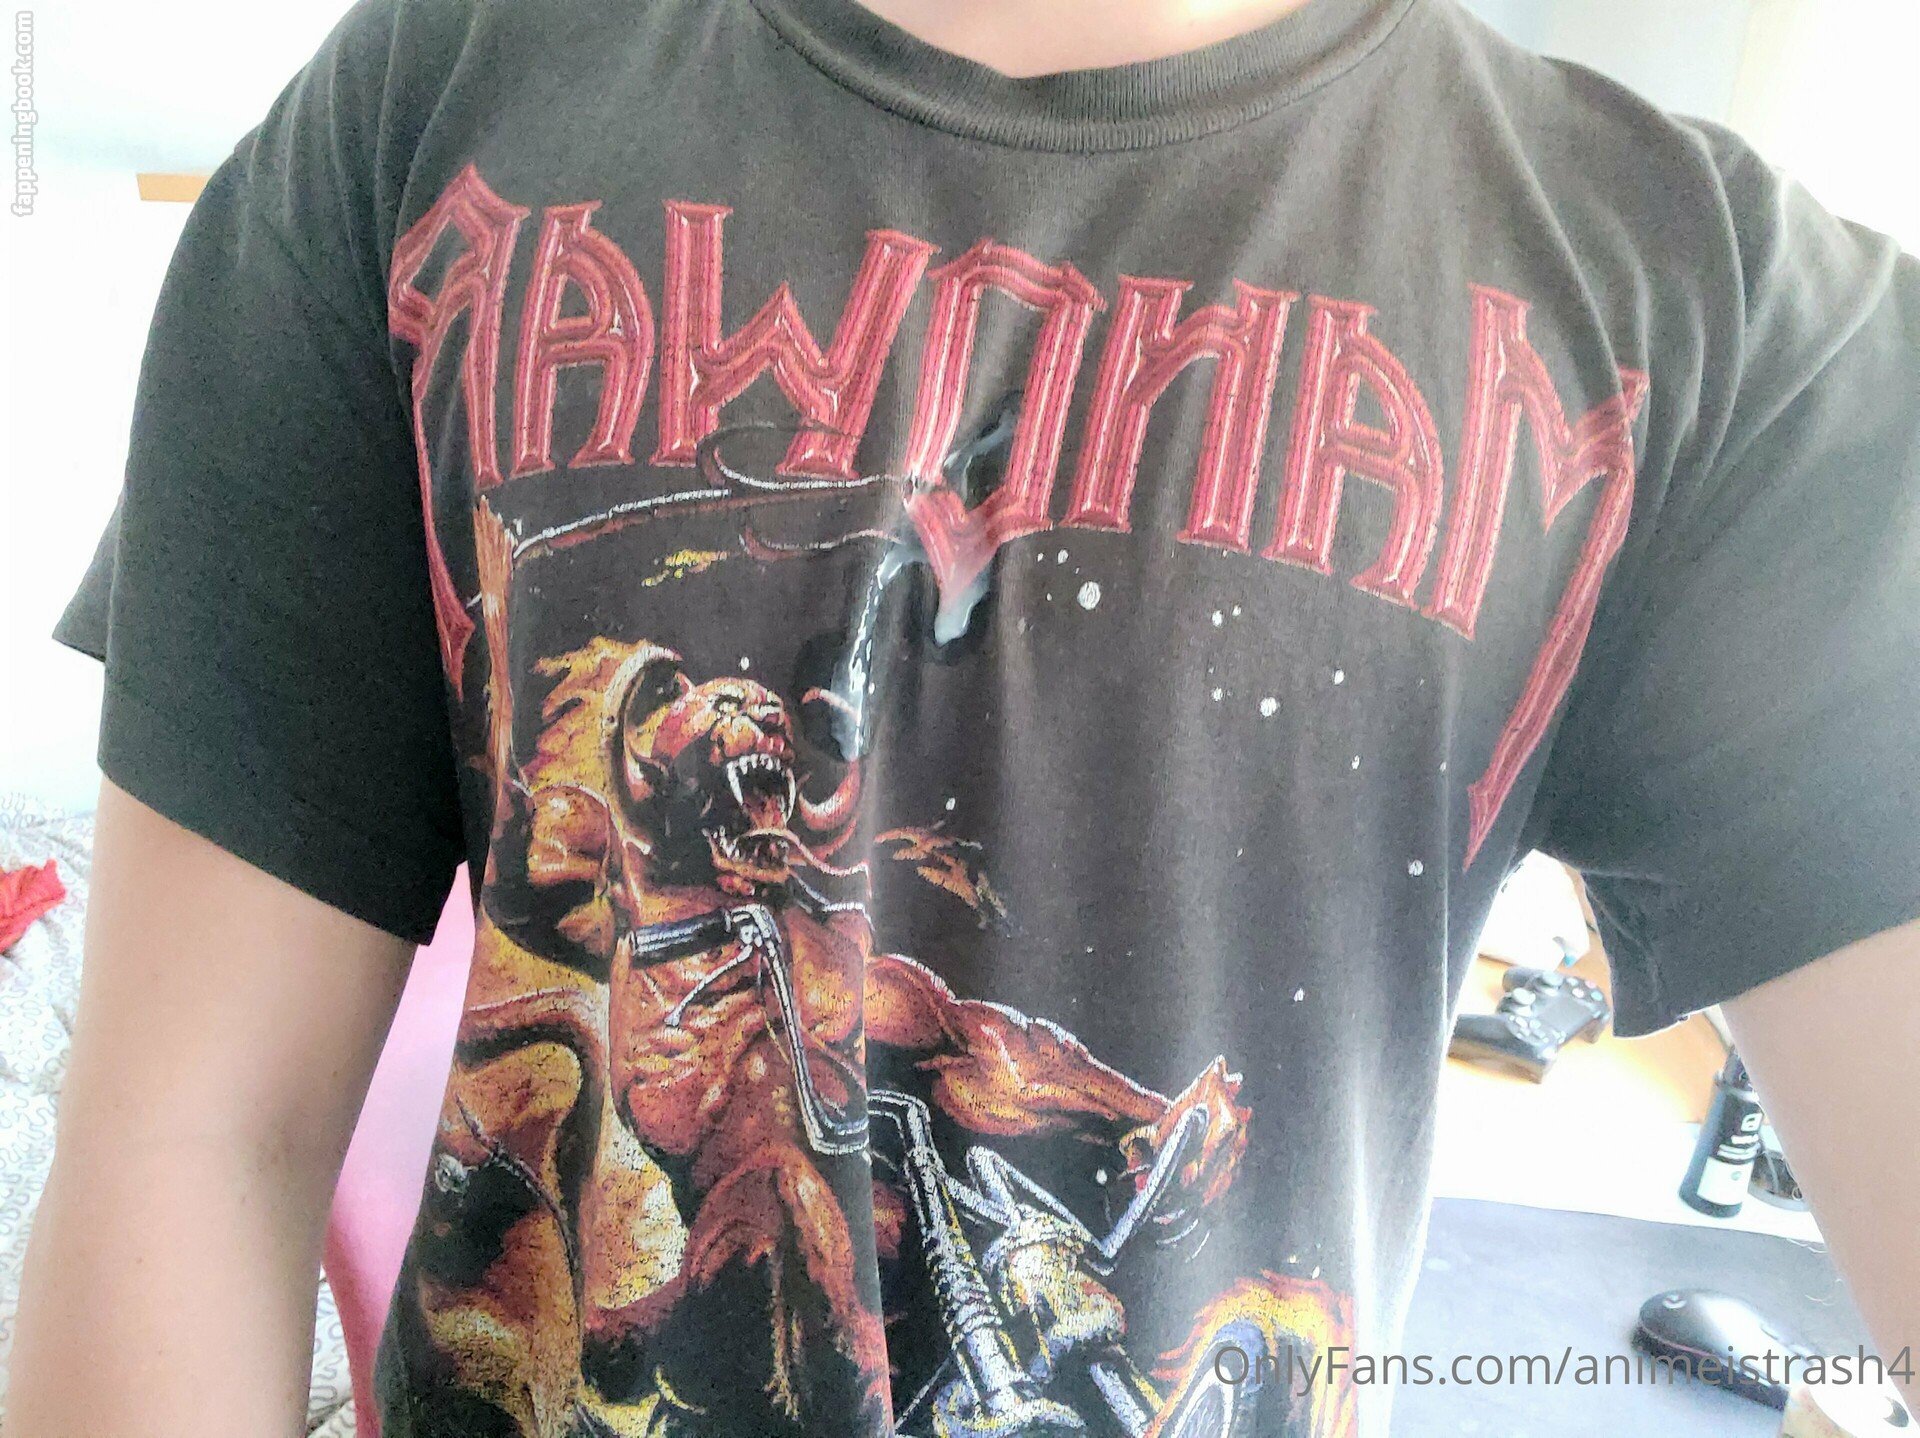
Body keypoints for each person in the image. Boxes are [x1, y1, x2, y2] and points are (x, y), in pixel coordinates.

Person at [12, 0, 1919, 1432]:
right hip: (668, 1199)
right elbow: (200, 1135)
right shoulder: (418, 121)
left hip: (927, 1201)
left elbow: (978, 1042)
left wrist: (1152, 1111)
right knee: (790, 1184)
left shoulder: (1717, 321)